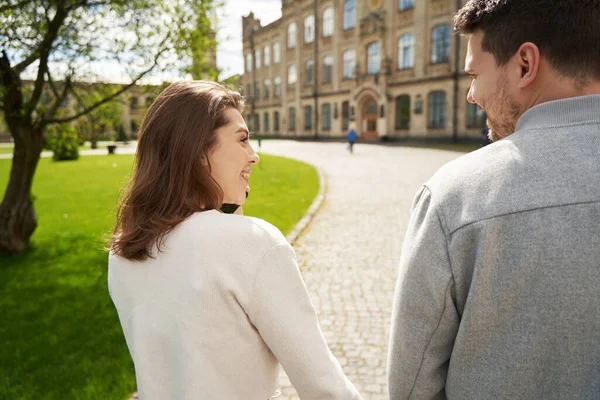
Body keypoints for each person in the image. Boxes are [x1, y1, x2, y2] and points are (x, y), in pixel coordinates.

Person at [388, 1, 600, 399]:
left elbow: (411, 387)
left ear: (525, 64)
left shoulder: (457, 195)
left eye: (474, 74)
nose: (471, 94)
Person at [108, 81, 362, 400]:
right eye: (242, 140)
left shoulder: (123, 253)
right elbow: (325, 388)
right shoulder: (250, 244)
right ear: (199, 151)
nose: (253, 156)